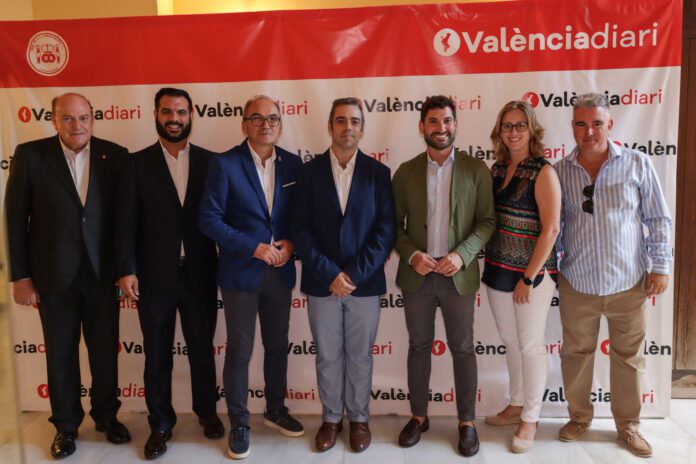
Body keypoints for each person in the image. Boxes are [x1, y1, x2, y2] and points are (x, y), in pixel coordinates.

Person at [5, 93, 131, 458]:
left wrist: (126, 269)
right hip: (52, 275)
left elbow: (124, 221)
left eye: (83, 117)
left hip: (102, 275)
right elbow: (15, 220)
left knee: (104, 351)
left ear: (93, 118)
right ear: (54, 120)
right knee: (60, 352)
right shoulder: (31, 156)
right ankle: (65, 425)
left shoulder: (115, 156)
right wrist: (21, 277)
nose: (77, 125)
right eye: (68, 118)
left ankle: (107, 416)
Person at [555, 93, 672, 458]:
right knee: (576, 354)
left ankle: (628, 426)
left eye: (596, 123)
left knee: (629, 357)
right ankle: (579, 417)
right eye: (581, 124)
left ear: (610, 124)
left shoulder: (637, 163)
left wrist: (661, 266)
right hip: (578, 281)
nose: (589, 131)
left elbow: (658, 218)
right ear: (572, 126)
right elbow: (554, 226)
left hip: (630, 282)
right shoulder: (559, 171)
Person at [116, 87, 223, 460]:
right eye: (167, 112)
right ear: (156, 115)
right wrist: (126, 269)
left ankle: (207, 411)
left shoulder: (212, 162)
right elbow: (124, 222)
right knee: (157, 354)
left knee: (202, 351)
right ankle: (160, 423)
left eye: (180, 111)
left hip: (200, 275)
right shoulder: (135, 164)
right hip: (153, 278)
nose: (174, 118)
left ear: (191, 114)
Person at [199, 95, 304, 460]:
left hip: (280, 273)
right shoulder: (225, 163)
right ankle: (239, 423)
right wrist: (253, 247)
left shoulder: (293, 164)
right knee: (240, 352)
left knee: (277, 345)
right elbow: (209, 219)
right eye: (257, 118)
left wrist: (291, 243)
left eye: (272, 118)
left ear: (280, 123)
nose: (265, 124)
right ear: (244, 124)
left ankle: (275, 410)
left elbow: (301, 217)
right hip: (240, 274)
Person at [392, 95, 495, 457]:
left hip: (457, 276)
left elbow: (486, 222)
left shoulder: (476, 170)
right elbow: (393, 225)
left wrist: (462, 255)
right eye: (433, 121)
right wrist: (412, 254)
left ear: (455, 124)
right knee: (418, 346)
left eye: (447, 121)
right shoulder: (405, 172)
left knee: (463, 348)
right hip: (418, 275)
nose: (441, 128)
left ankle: (467, 422)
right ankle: (418, 417)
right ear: (422, 126)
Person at [292, 97, 395, 453]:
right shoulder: (308, 173)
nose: (347, 127)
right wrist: (330, 274)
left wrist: (351, 275)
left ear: (362, 129)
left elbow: (385, 231)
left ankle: (359, 419)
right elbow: (300, 230)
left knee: (360, 355)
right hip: (321, 283)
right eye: (340, 120)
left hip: (363, 284)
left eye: (354, 121)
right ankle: (331, 418)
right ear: (330, 126)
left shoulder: (379, 173)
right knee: (327, 355)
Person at [481, 100, 561, 453]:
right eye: (507, 126)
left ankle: (531, 417)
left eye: (520, 125)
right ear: (499, 132)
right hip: (498, 269)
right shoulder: (497, 169)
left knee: (530, 344)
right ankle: (515, 403)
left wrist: (528, 278)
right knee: (511, 342)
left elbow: (552, 228)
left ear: (531, 130)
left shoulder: (543, 171)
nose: (513, 132)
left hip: (532, 275)